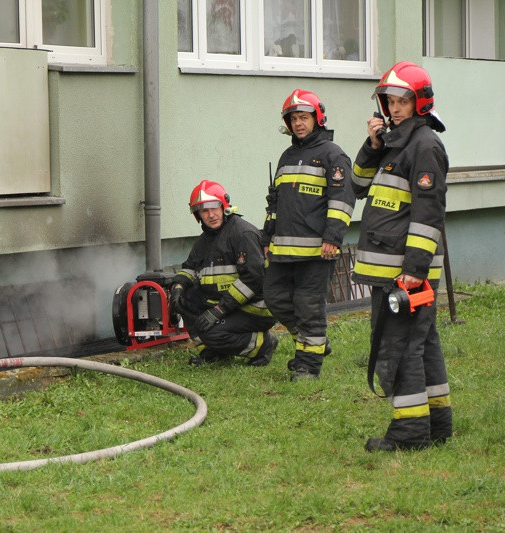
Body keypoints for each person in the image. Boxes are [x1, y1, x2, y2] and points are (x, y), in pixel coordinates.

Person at [351, 61, 452, 451]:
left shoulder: (424, 145)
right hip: (391, 268)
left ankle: (410, 434)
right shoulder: (394, 143)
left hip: (405, 271)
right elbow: (358, 185)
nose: (393, 109)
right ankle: (437, 424)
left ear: (419, 103)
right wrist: (374, 144)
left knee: (398, 348)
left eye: (402, 102)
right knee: (422, 345)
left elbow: (429, 214)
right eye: (389, 101)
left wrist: (414, 270)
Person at [262, 89, 356, 381]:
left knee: (309, 307)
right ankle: (315, 343)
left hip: (318, 250)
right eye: (293, 119)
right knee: (275, 298)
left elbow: (342, 202)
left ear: (318, 119)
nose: (298, 123)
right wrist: (266, 239)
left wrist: (333, 239)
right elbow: (275, 203)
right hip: (282, 249)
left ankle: (307, 366)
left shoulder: (333, 155)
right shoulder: (287, 155)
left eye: (304, 117)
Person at [170, 180, 278, 367]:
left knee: (212, 332)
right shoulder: (205, 240)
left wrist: (219, 311)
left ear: (223, 206)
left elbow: (253, 279)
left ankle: (263, 345)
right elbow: (189, 267)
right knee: (185, 301)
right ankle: (212, 353)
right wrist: (178, 288)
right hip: (228, 303)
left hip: (256, 307)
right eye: (205, 211)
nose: (211, 215)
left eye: (214, 208)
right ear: (198, 215)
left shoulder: (242, 233)